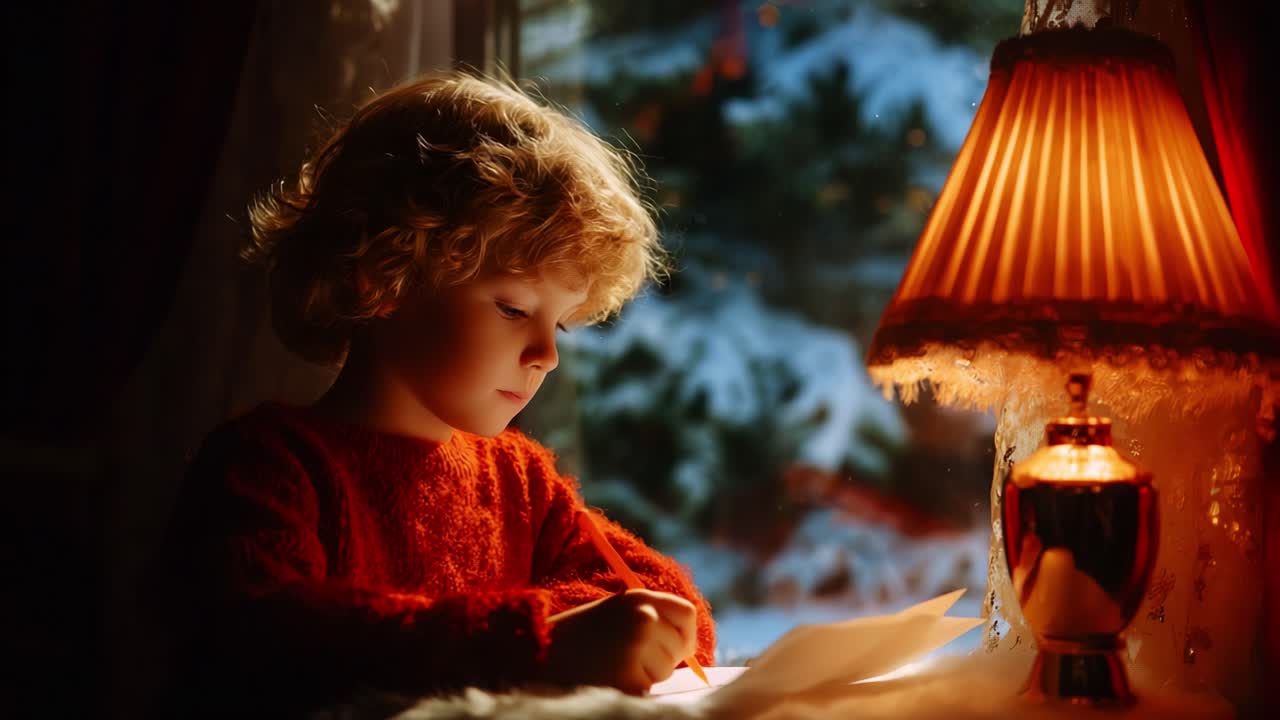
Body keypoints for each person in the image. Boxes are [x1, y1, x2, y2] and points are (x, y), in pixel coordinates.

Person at [152, 72, 715, 717]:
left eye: (559, 323)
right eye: (511, 308)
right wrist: (535, 641)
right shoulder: (266, 465)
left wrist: (594, 629)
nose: (547, 355)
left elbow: (675, 606)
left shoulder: (519, 479)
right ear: (380, 279)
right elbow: (268, 634)